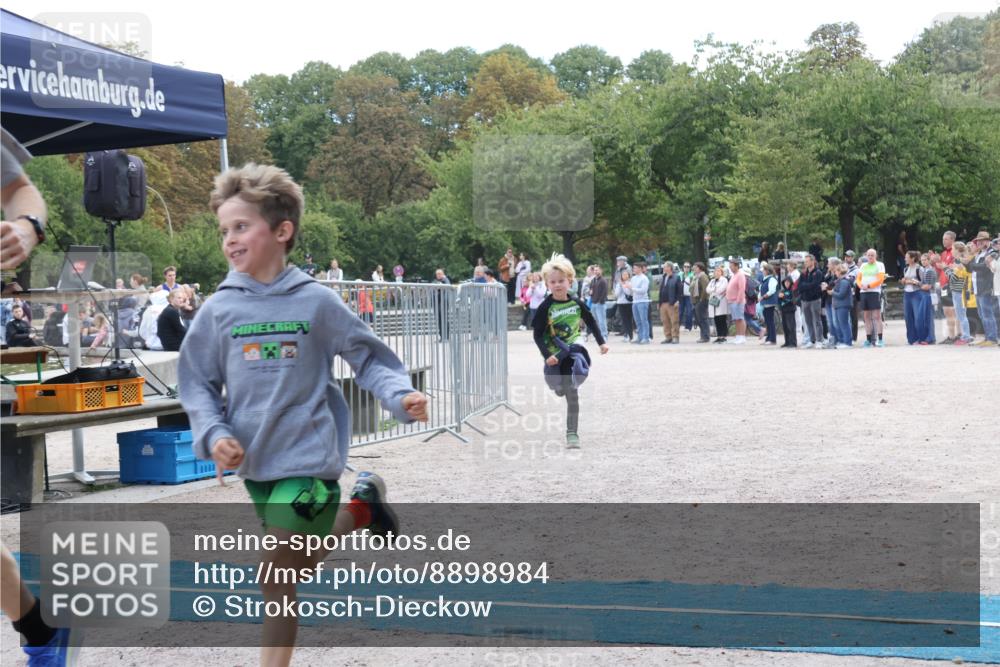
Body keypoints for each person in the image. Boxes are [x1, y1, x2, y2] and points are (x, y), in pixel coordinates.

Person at [179, 163, 428, 667]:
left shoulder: (316, 301)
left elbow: (370, 358)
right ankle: (361, 510)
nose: (229, 240)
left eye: (241, 226)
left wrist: (399, 396)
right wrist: (214, 432)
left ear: (282, 231)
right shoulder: (218, 309)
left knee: (275, 574)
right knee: (295, 566)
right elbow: (197, 384)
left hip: (310, 458)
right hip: (257, 465)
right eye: (224, 230)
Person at [532, 253, 608, 448]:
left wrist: (601, 342)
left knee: (572, 391)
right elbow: (538, 334)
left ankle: (572, 433)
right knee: (559, 387)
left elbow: (590, 320)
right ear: (548, 284)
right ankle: (559, 385)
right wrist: (547, 355)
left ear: (570, 281)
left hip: (573, 348)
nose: (557, 285)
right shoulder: (545, 307)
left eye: (561, 281)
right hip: (554, 353)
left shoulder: (576, 303)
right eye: (553, 282)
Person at [965, 231, 998, 346]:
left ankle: (992, 338)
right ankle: (988, 337)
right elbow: (969, 269)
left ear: (988, 241)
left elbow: (983, 268)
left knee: (987, 313)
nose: (979, 243)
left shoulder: (992, 252)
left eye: (981, 240)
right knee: (982, 314)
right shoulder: (979, 254)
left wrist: (971, 264)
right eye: (978, 241)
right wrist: (967, 262)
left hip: (986, 288)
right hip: (977, 288)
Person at [856, 248, 887, 348]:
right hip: (863, 292)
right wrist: (861, 286)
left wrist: (869, 286)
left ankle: (880, 339)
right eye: (868, 255)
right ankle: (868, 339)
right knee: (866, 317)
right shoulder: (863, 265)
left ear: (876, 256)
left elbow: (880, 279)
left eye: (872, 255)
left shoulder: (880, 265)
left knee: (877, 316)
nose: (870, 257)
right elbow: (858, 279)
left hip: (874, 292)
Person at [947, 242, 973, 345]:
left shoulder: (961, 261)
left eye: (953, 249)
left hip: (960, 291)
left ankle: (966, 336)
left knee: (962, 315)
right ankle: (965, 335)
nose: (952, 251)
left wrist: (947, 269)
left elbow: (955, 278)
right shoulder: (957, 261)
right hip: (956, 291)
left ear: (958, 250)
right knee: (960, 314)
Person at [658, 261, 681, 344]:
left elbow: (680, 291)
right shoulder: (663, 277)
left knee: (674, 321)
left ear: (670, 268)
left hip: (672, 303)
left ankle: (675, 337)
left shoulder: (676, 277)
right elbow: (660, 291)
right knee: (665, 321)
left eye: (665, 266)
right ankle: (668, 337)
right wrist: (659, 302)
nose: (663, 268)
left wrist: (678, 301)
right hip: (663, 303)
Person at [831, 263, 854, 348]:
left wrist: (832, 292)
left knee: (844, 324)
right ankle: (843, 341)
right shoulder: (839, 281)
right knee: (840, 324)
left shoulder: (844, 281)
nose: (835, 273)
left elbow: (841, 294)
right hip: (838, 305)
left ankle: (847, 342)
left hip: (843, 305)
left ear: (840, 271)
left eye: (836, 271)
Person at [724, 259, 747, 344]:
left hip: (737, 301)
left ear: (736, 266)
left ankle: (742, 336)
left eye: (731, 266)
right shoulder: (734, 275)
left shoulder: (740, 275)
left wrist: (738, 300)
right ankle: (738, 336)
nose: (730, 267)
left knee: (740, 318)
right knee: (736, 319)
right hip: (732, 301)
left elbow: (742, 288)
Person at [630, 261, 651, 344]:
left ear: (640, 269)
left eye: (635, 268)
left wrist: (632, 288)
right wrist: (627, 288)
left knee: (644, 320)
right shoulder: (633, 278)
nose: (633, 269)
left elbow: (643, 290)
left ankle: (646, 337)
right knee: (637, 321)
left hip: (642, 301)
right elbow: (631, 291)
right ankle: (640, 336)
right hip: (635, 301)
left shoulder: (644, 278)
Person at [758, 263, 779, 345]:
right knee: (767, 320)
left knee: (770, 321)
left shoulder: (772, 279)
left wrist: (764, 296)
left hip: (769, 302)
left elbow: (772, 290)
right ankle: (769, 338)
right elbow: (761, 290)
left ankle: (772, 339)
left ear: (767, 271)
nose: (762, 271)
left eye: (764, 270)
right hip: (765, 302)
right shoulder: (765, 279)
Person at [707, 266, 729, 343]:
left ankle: (724, 336)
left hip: (721, 302)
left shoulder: (724, 280)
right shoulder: (712, 281)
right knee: (716, 320)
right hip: (713, 302)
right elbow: (707, 289)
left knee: (722, 319)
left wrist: (713, 290)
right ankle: (719, 336)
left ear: (721, 272)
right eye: (715, 271)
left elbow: (721, 290)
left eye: (718, 271)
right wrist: (714, 290)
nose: (716, 273)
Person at [690, 262, 711, 342]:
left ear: (699, 268)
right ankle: (703, 336)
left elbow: (705, 289)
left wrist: (702, 299)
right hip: (696, 301)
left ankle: (705, 336)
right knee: (699, 319)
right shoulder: (696, 277)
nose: (693, 269)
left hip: (701, 301)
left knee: (703, 319)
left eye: (695, 267)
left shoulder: (702, 276)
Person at [778, 273, 798, 348]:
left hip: (790, 310)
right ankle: (787, 341)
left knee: (791, 326)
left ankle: (793, 342)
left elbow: (793, 300)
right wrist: (780, 297)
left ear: (790, 283)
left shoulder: (792, 290)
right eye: (785, 282)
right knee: (785, 326)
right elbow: (779, 301)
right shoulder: (782, 290)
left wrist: (784, 297)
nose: (787, 284)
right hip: (783, 310)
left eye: (788, 282)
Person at [589, 265, 609, 339]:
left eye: (597, 270)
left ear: (601, 271)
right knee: (595, 321)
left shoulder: (603, 280)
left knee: (602, 321)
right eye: (594, 270)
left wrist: (600, 301)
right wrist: (590, 293)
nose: (595, 271)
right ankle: (598, 335)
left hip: (600, 304)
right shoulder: (593, 280)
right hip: (593, 303)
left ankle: (604, 335)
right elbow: (590, 289)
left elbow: (605, 292)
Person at [614, 270, 634, 341]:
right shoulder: (618, 284)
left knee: (629, 320)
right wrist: (620, 285)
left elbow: (628, 292)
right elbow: (617, 294)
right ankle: (626, 334)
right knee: (624, 320)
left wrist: (623, 285)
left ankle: (630, 335)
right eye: (623, 275)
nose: (625, 276)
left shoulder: (630, 283)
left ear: (628, 275)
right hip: (620, 303)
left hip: (628, 303)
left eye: (626, 275)